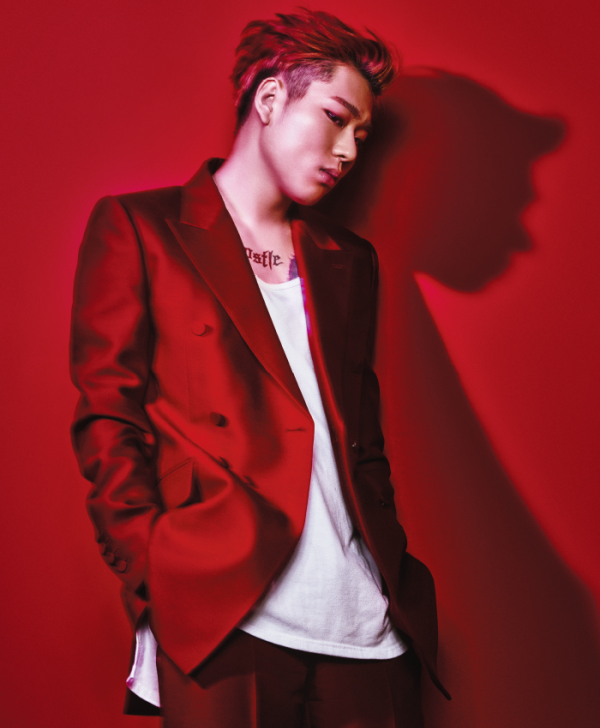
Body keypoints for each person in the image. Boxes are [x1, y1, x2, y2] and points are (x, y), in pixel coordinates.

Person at [70, 8, 449, 727]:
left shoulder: (349, 260)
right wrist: (154, 567)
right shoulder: (141, 228)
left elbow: (361, 440)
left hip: (366, 620)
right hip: (224, 612)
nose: (348, 150)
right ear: (271, 99)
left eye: (362, 135)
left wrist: (389, 562)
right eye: (335, 118)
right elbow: (107, 414)